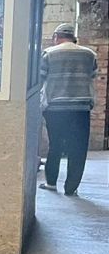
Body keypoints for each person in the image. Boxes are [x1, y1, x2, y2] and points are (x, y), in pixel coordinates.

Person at [39, 23, 98, 197]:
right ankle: (71, 188)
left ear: (56, 37)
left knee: (55, 145)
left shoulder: (49, 54)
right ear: (74, 38)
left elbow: (41, 78)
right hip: (80, 108)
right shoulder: (89, 54)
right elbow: (92, 76)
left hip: (55, 108)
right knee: (78, 148)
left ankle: (51, 183)